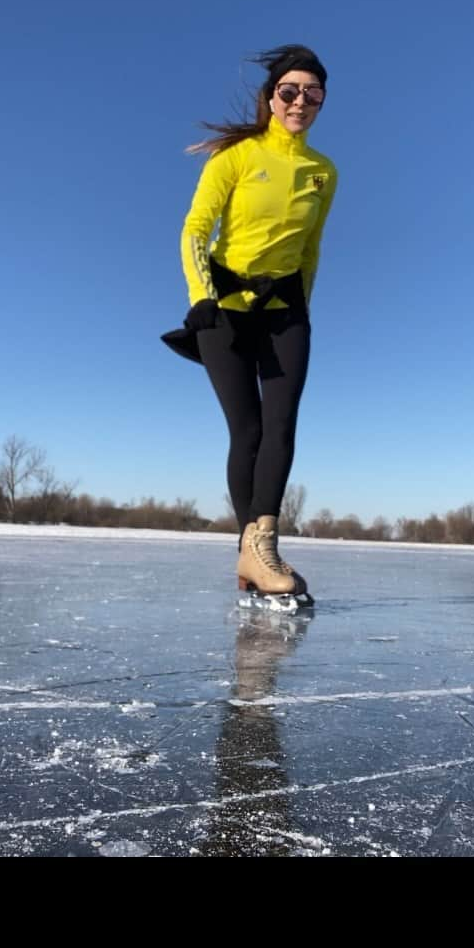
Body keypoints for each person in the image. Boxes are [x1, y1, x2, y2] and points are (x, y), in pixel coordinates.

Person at [162, 44, 338, 605]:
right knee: (250, 429)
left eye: (312, 93)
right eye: (290, 91)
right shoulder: (237, 157)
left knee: (283, 425)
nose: (300, 101)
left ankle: (262, 548)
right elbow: (196, 228)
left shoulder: (323, 173)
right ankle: (252, 551)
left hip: (285, 311)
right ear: (270, 98)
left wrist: (302, 306)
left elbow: (309, 249)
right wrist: (202, 299)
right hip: (224, 308)